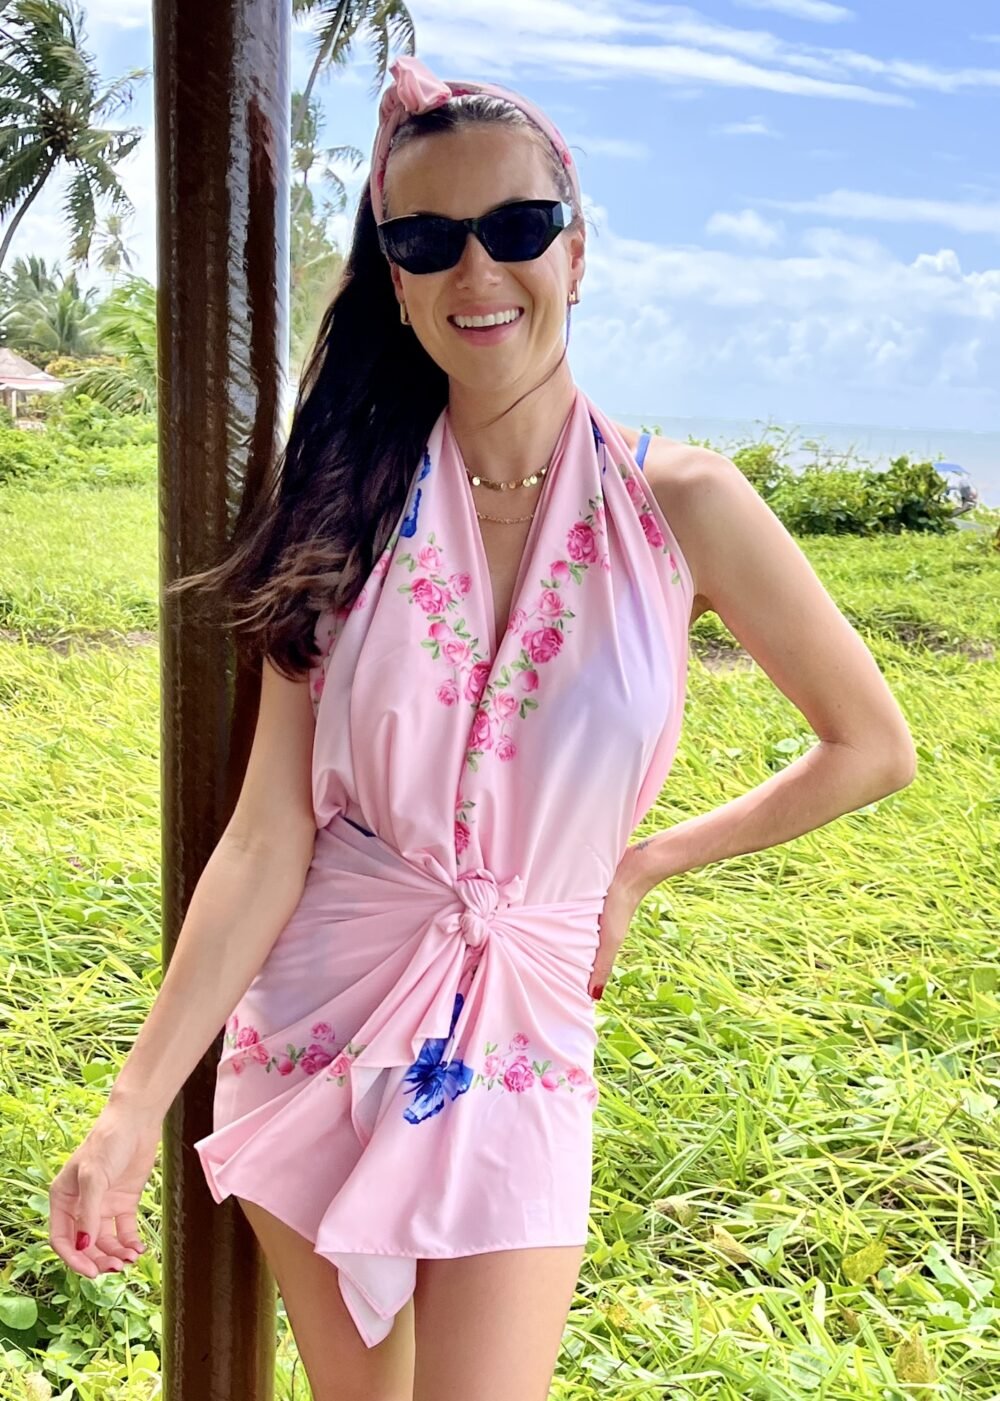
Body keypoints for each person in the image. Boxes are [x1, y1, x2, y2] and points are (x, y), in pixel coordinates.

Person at [46, 53, 917, 1401]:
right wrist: (129, 1107)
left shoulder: (683, 504)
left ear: (577, 248)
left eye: (516, 226)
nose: (477, 270)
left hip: (523, 1023)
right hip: (322, 1017)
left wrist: (644, 862)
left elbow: (872, 746)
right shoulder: (341, 503)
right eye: (427, 240)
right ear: (393, 280)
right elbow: (268, 836)